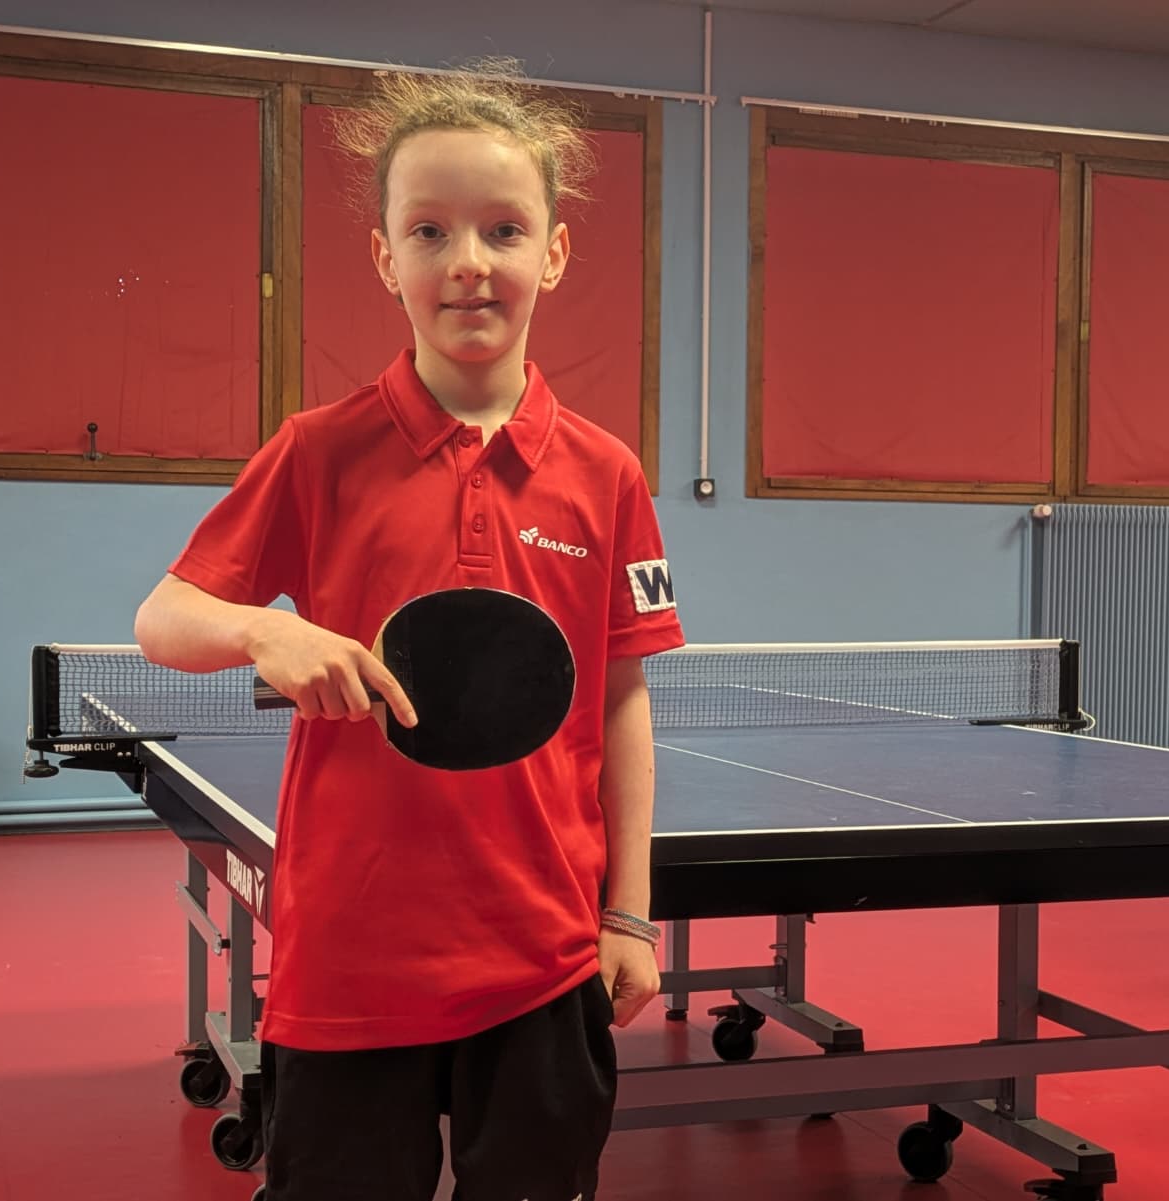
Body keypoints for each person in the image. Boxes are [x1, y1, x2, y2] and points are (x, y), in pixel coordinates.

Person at [133, 60, 684, 1201]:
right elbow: (163, 618)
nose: (468, 261)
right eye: (429, 230)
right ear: (387, 258)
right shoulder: (318, 450)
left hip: (542, 958)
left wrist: (628, 912)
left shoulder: (607, 473)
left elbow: (623, 701)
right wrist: (263, 635)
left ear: (554, 252)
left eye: (503, 229)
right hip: (349, 959)